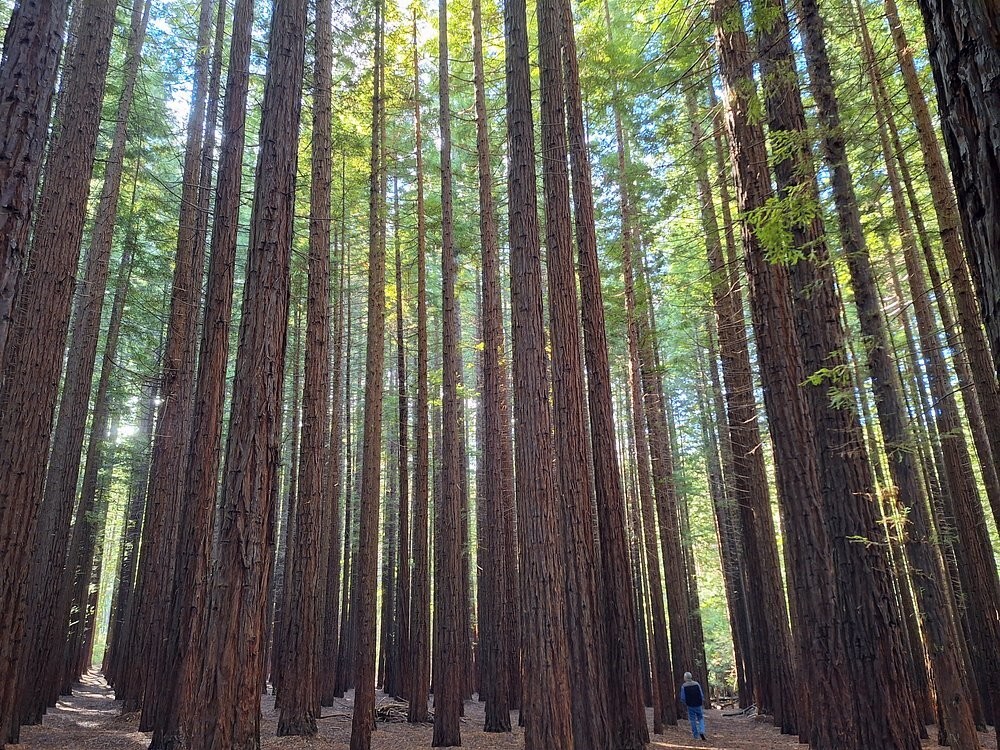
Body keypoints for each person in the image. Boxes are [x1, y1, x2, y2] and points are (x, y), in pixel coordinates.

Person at [679, 671, 707, 741]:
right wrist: (702, 701)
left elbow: (683, 697)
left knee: (692, 720)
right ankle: (702, 731)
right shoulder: (696, 684)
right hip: (698, 704)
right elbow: (701, 694)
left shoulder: (684, 686)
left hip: (690, 705)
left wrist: (686, 703)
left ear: (685, 678)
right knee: (700, 718)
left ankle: (695, 736)